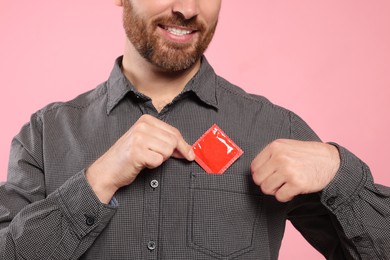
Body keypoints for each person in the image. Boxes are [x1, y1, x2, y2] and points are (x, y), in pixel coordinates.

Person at [1, 0, 389, 259]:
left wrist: (341, 175)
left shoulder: (273, 129)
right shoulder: (45, 134)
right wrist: (95, 183)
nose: (186, 8)